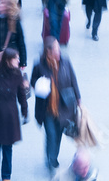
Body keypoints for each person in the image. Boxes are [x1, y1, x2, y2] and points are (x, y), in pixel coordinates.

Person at [30, 37, 79, 173]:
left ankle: (54, 156)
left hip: (63, 106)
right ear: (48, 51)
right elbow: (33, 80)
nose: (59, 51)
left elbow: (73, 80)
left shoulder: (65, 62)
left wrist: (78, 98)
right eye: (56, 48)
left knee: (58, 135)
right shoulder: (39, 65)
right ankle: (50, 159)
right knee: (51, 134)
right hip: (47, 108)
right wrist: (39, 84)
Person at [0, 48, 28, 181]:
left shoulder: (17, 74)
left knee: (8, 146)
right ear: (8, 60)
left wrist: (24, 109)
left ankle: (6, 175)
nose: (19, 61)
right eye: (16, 58)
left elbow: (21, 93)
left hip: (10, 114)